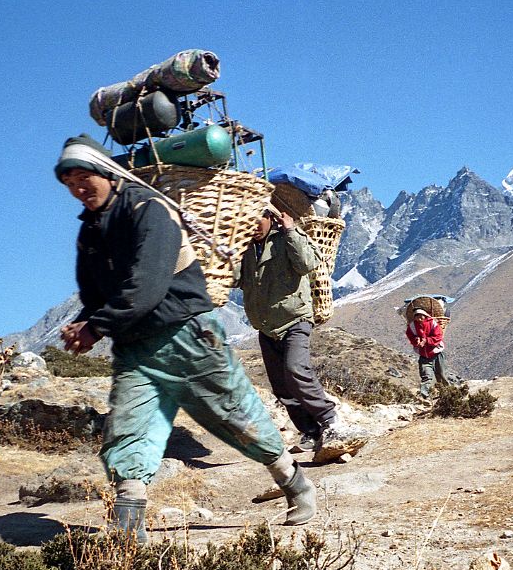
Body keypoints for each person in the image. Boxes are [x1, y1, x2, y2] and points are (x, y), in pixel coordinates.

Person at [53, 134, 315, 542]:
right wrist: (88, 322)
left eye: (84, 177)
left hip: (187, 335)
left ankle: (294, 483)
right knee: (127, 430)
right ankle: (127, 537)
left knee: (235, 416)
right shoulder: (90, 232)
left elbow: (148, 283)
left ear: (106, 171)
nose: (79, 190)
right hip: (135, 347)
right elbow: (94, 294)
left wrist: (96, 325)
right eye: (70, 185)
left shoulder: (149, 209)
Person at [235, 206, 340, 454]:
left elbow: (307, 263)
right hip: (266, 326)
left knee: (296, 369)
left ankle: (329, 418)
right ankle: (309, 431)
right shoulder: (247, 249)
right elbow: (235, 279)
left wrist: (291, 230)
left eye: (256, 219)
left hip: (295, 319)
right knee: (281, 385)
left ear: (271, 217)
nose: (252, 226)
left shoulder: (289, 237)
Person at [405, 308, 452, 399]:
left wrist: (426, 341)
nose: (419, 318)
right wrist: (416, 340)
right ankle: (424, 396)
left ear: (425, 316)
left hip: (436, 353)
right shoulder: (412, 326)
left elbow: (438, 336)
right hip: (424, 355)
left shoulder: (432, 323)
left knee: (442, 374)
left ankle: (447, 394)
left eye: (421, 316)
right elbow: (411, 336)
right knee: (426, 375)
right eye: (417, 316)